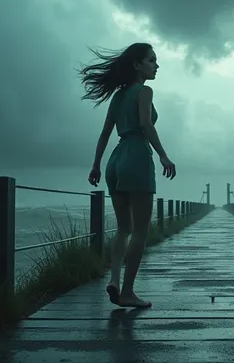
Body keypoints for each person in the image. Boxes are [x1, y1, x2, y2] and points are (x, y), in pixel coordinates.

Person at [81, 43, 176, 308]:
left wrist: (96, 165)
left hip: (116, 158)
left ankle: (114, 280)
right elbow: (145, 124)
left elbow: (105, 133)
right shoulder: (144, 91)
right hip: (136, 156)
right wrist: (163, 155)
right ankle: (127, 292)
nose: (156, 66)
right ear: (137, 64)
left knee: (124, 228)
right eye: (152, 60)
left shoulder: (119, 96)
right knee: (141, 230)